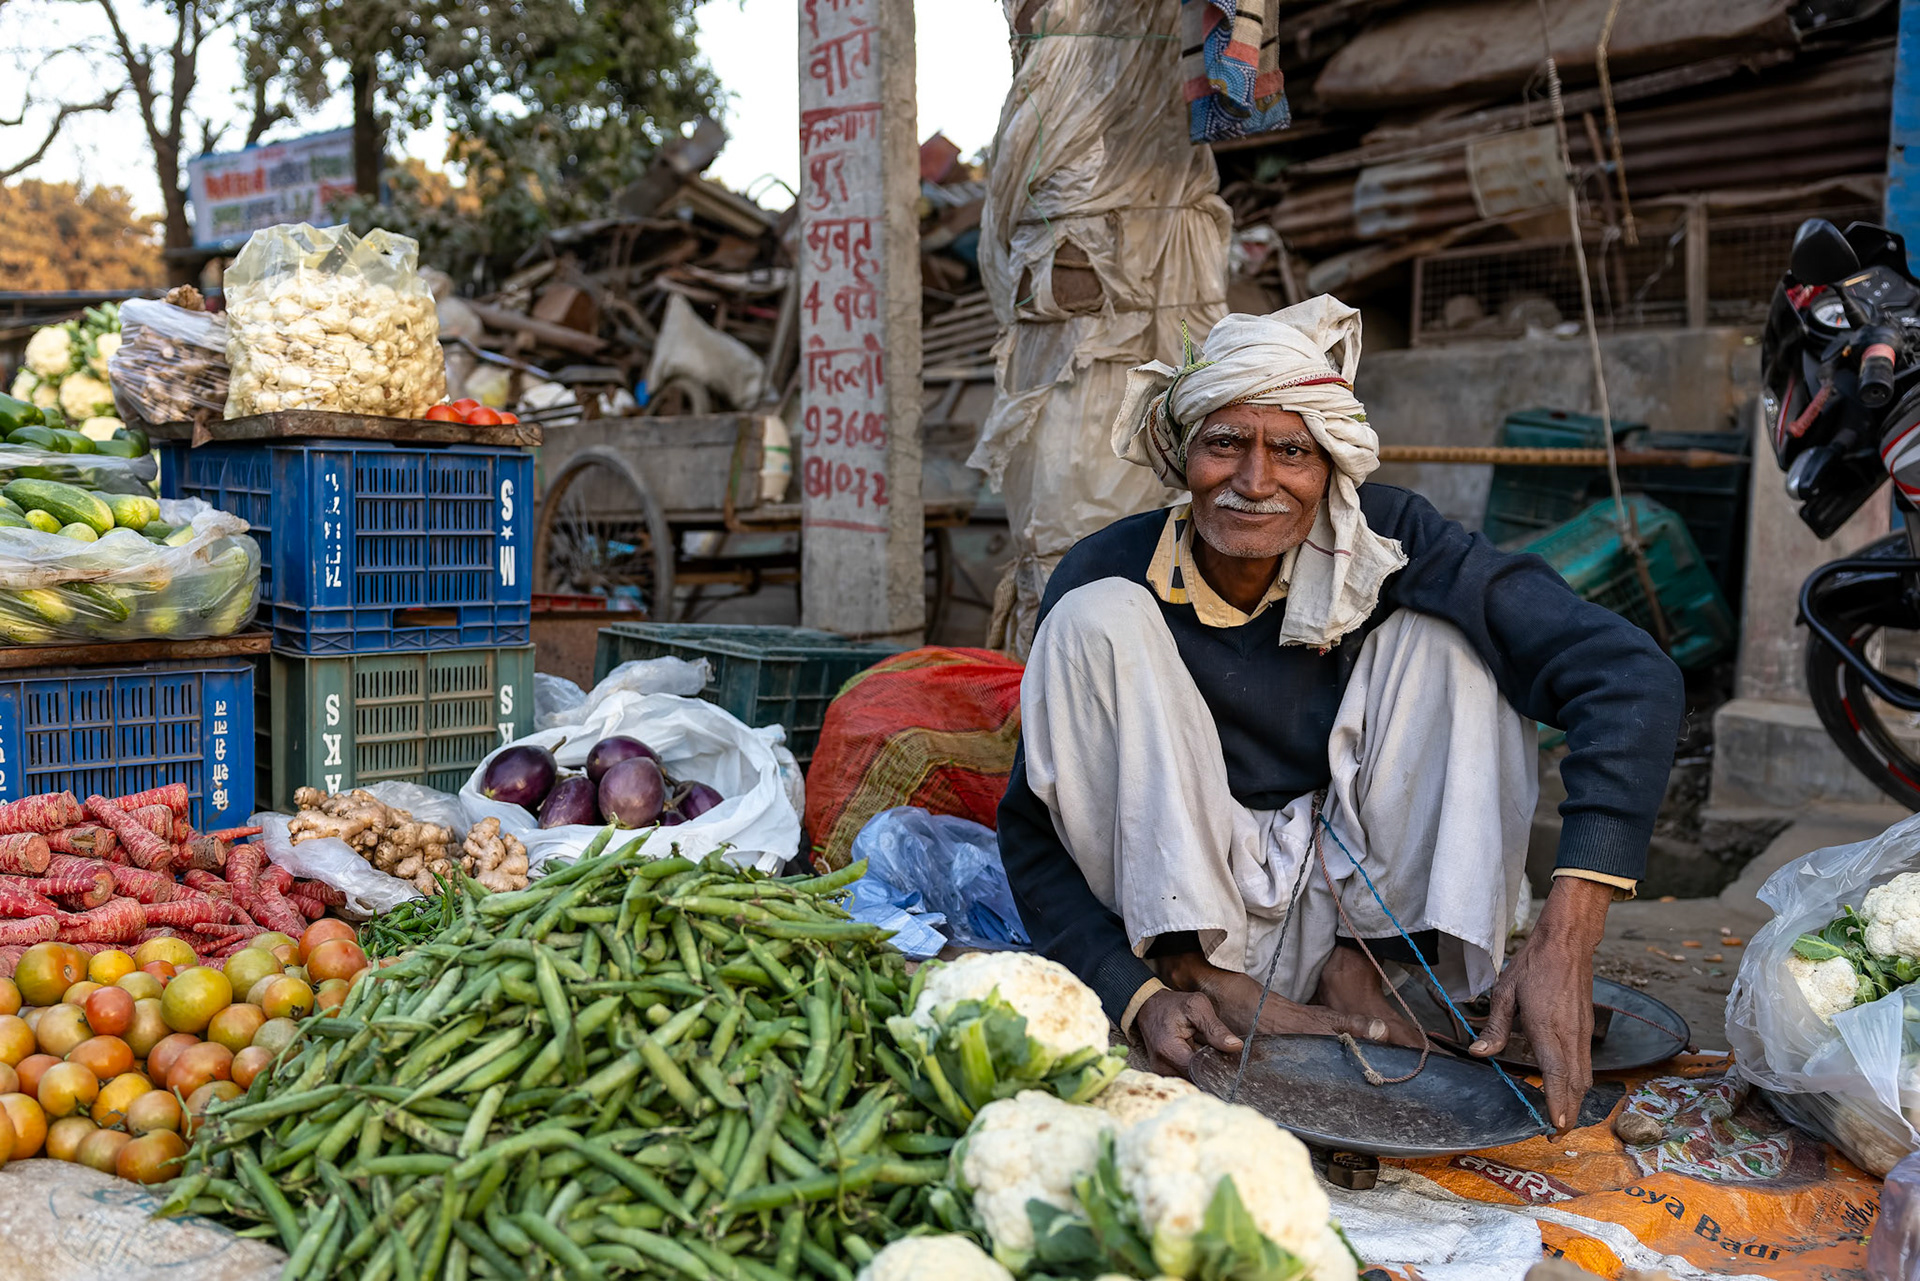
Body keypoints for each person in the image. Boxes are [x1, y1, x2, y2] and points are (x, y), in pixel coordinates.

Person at [997, 297, 1684, 1131]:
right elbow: (1031, 833)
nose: (1256, 482)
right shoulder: (1107, 572)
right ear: (1183, 457)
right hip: (1178, 920)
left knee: (1453, 642)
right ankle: (1194, 974)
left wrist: (1564, 939)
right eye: (1225, 444)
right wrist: (1131, 990)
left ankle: (1367, 968)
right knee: (1093, 620)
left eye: (1291, 450)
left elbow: (1627, 674)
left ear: (1330, 466)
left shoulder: (1390, 538)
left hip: (1340, 907)